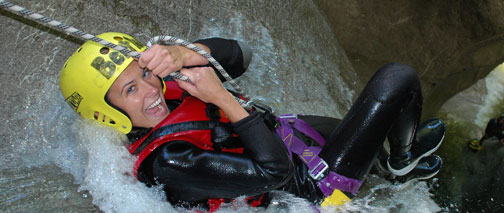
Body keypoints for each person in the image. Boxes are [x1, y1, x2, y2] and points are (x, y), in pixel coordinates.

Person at [59, 32, 444, 210]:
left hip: (285, 136)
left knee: (370, 139)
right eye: (130, 90)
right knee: (398, 80)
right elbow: (274, 172)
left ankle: (392, 165)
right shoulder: (168, 161)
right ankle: (400, 163)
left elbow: (241, 55)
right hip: (312, 191)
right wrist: (221, 98)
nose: (150, 89)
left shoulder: (159, 92)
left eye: (143, 73)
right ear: (105, 113)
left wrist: (181, 54)